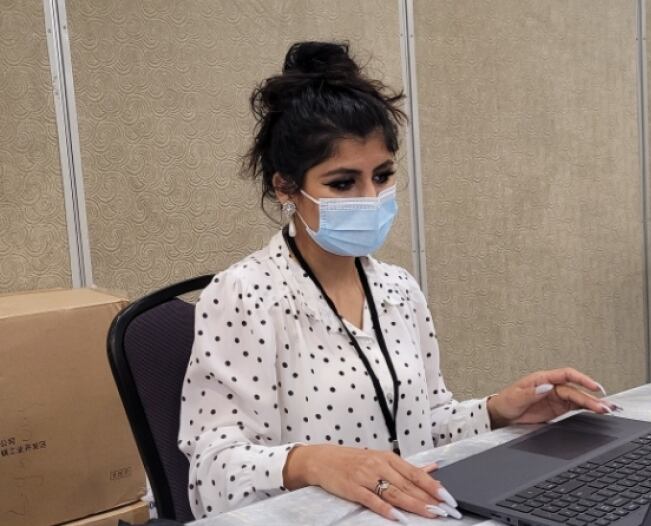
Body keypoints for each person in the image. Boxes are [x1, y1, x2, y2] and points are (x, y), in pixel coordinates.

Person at [178, 41, 618, 523]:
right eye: (343, 183)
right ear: (286, 187)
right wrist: (315, 462)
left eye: (383, 175)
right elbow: (211, 476)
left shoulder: (397, 288)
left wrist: (498, 411)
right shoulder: (245, 294)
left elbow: (422, 427)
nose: (371, 197)